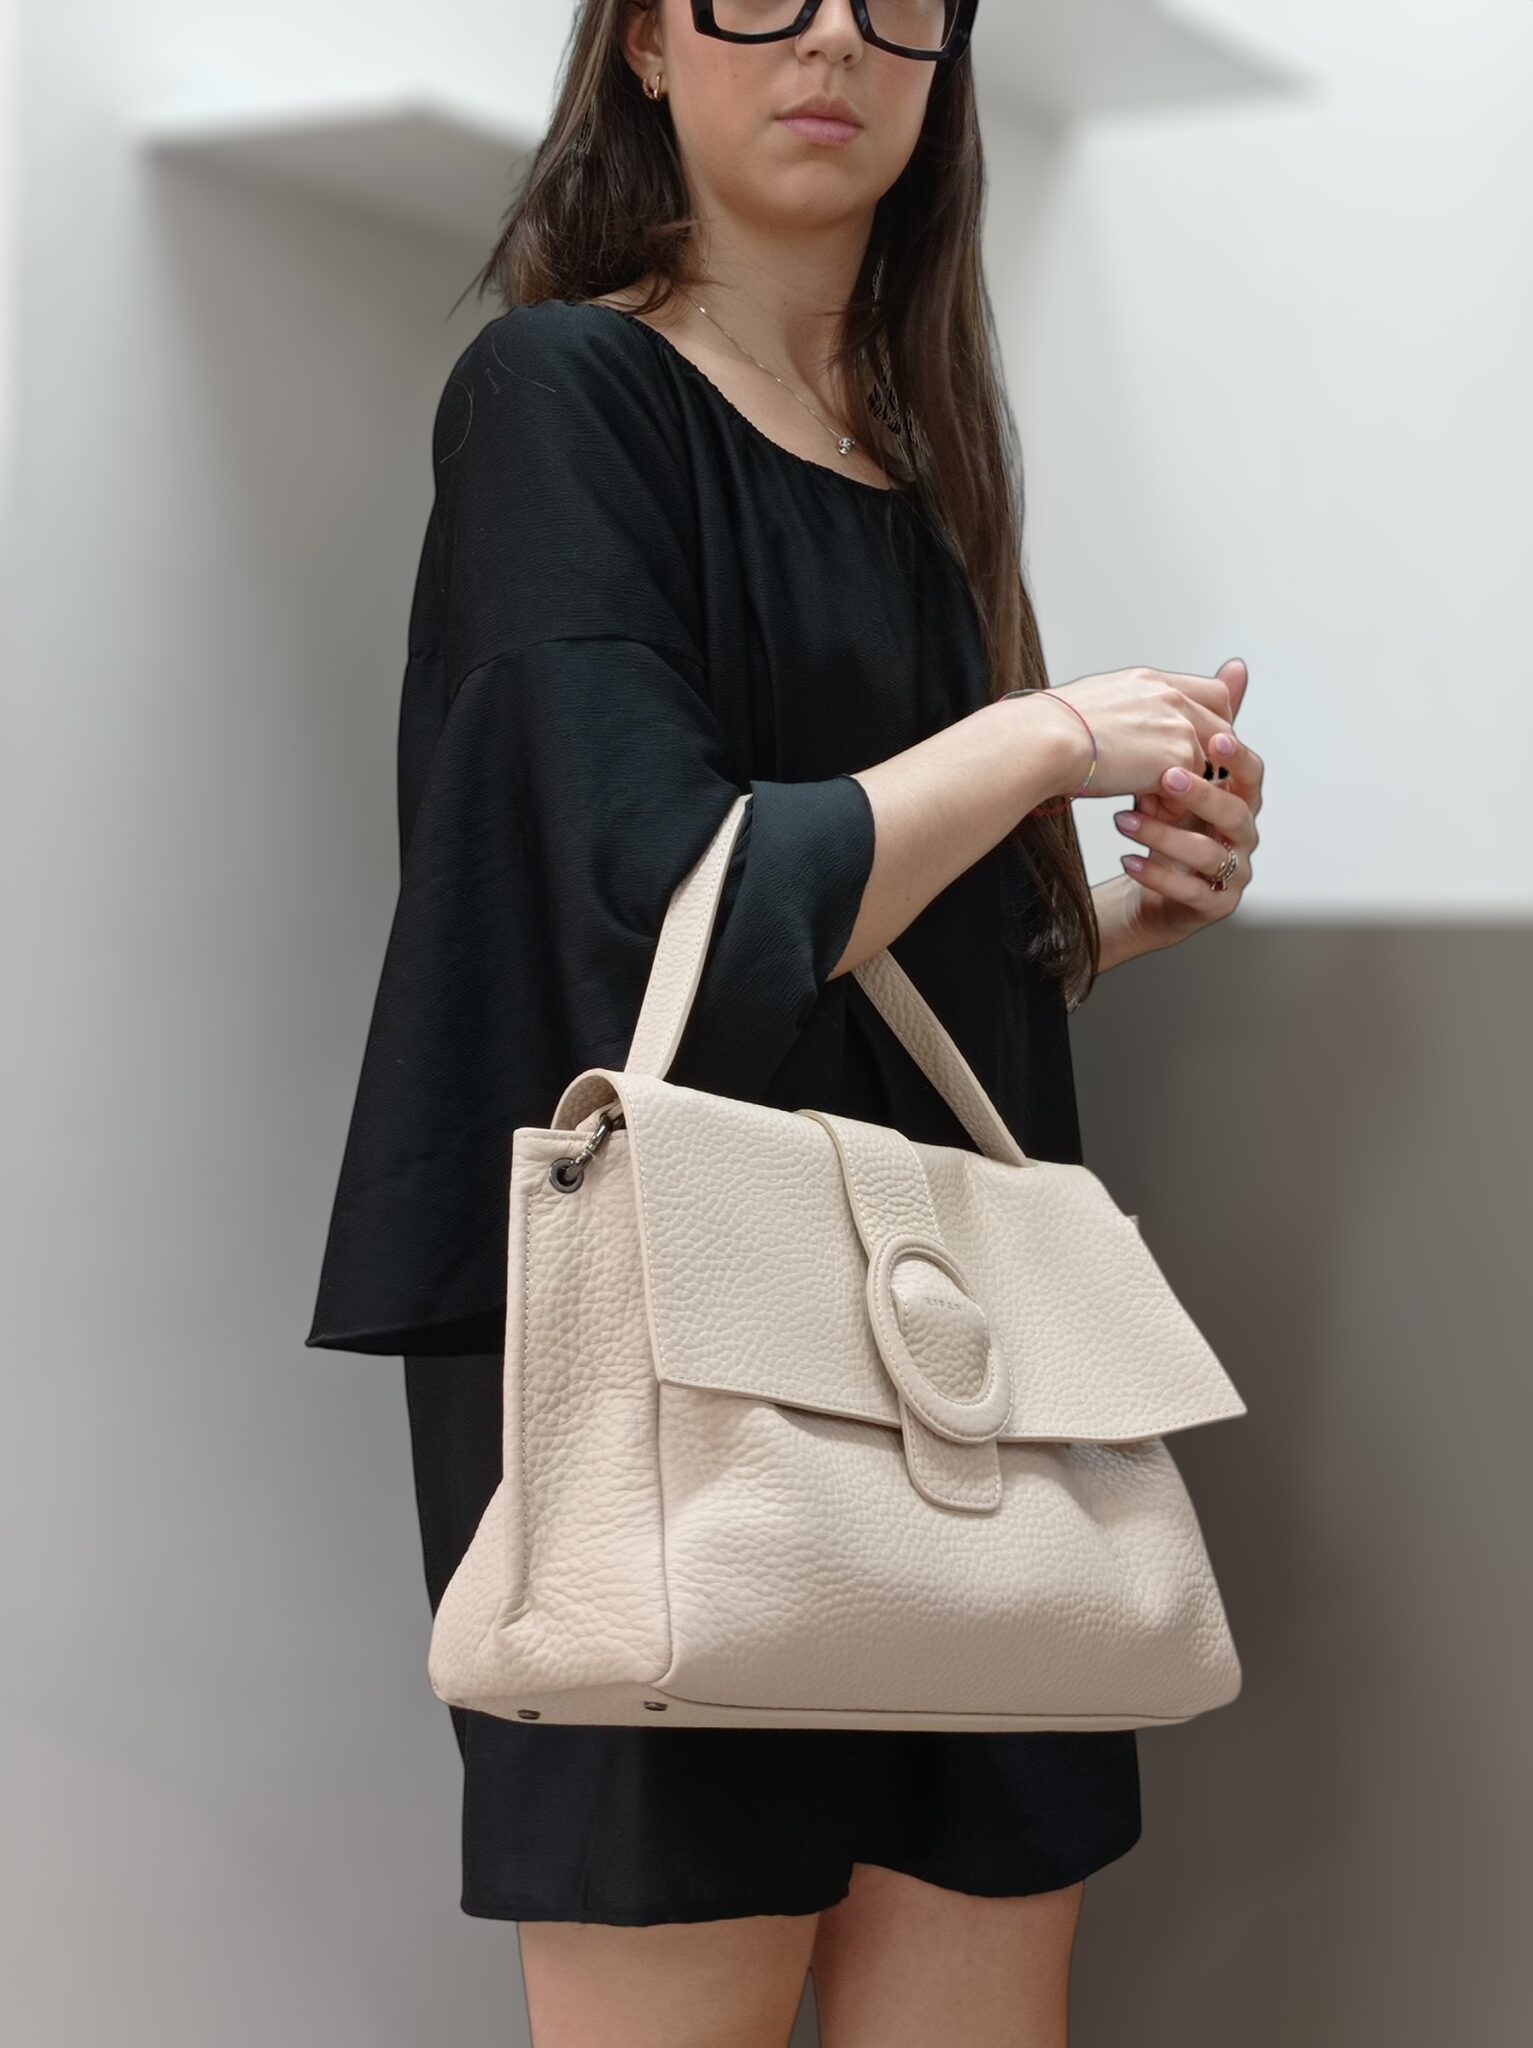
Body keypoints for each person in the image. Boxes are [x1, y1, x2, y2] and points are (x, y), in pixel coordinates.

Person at [305, 1, 1263, 2041]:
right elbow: (654, 912)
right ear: (647, 43)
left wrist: (1111, 918)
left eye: (893, 0)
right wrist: (1034, 740)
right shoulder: (560, 393)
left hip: (957, 1379)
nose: (831, 36)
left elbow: (857, 965)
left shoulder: (920, 473)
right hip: (675, 1374)